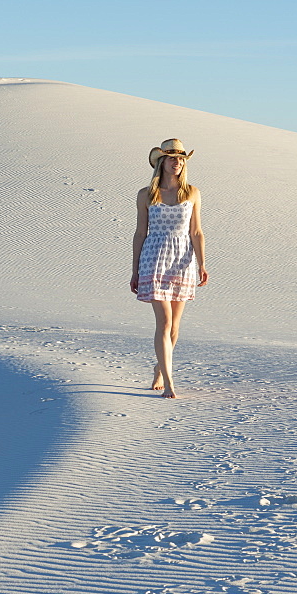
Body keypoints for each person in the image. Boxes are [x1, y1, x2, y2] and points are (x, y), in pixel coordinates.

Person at [130, 138, 209, 399]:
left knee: (175, 327)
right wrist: (135, 270)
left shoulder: (192, 192)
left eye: (181, 159)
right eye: (172, 158)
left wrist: (202, 263)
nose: (177, 162)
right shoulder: (146, 194)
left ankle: (159, 369)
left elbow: (196, 231)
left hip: (182, 259)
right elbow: (140, 232)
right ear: (161, 162)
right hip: (154, 257)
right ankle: (170, 383)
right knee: (163, 323)